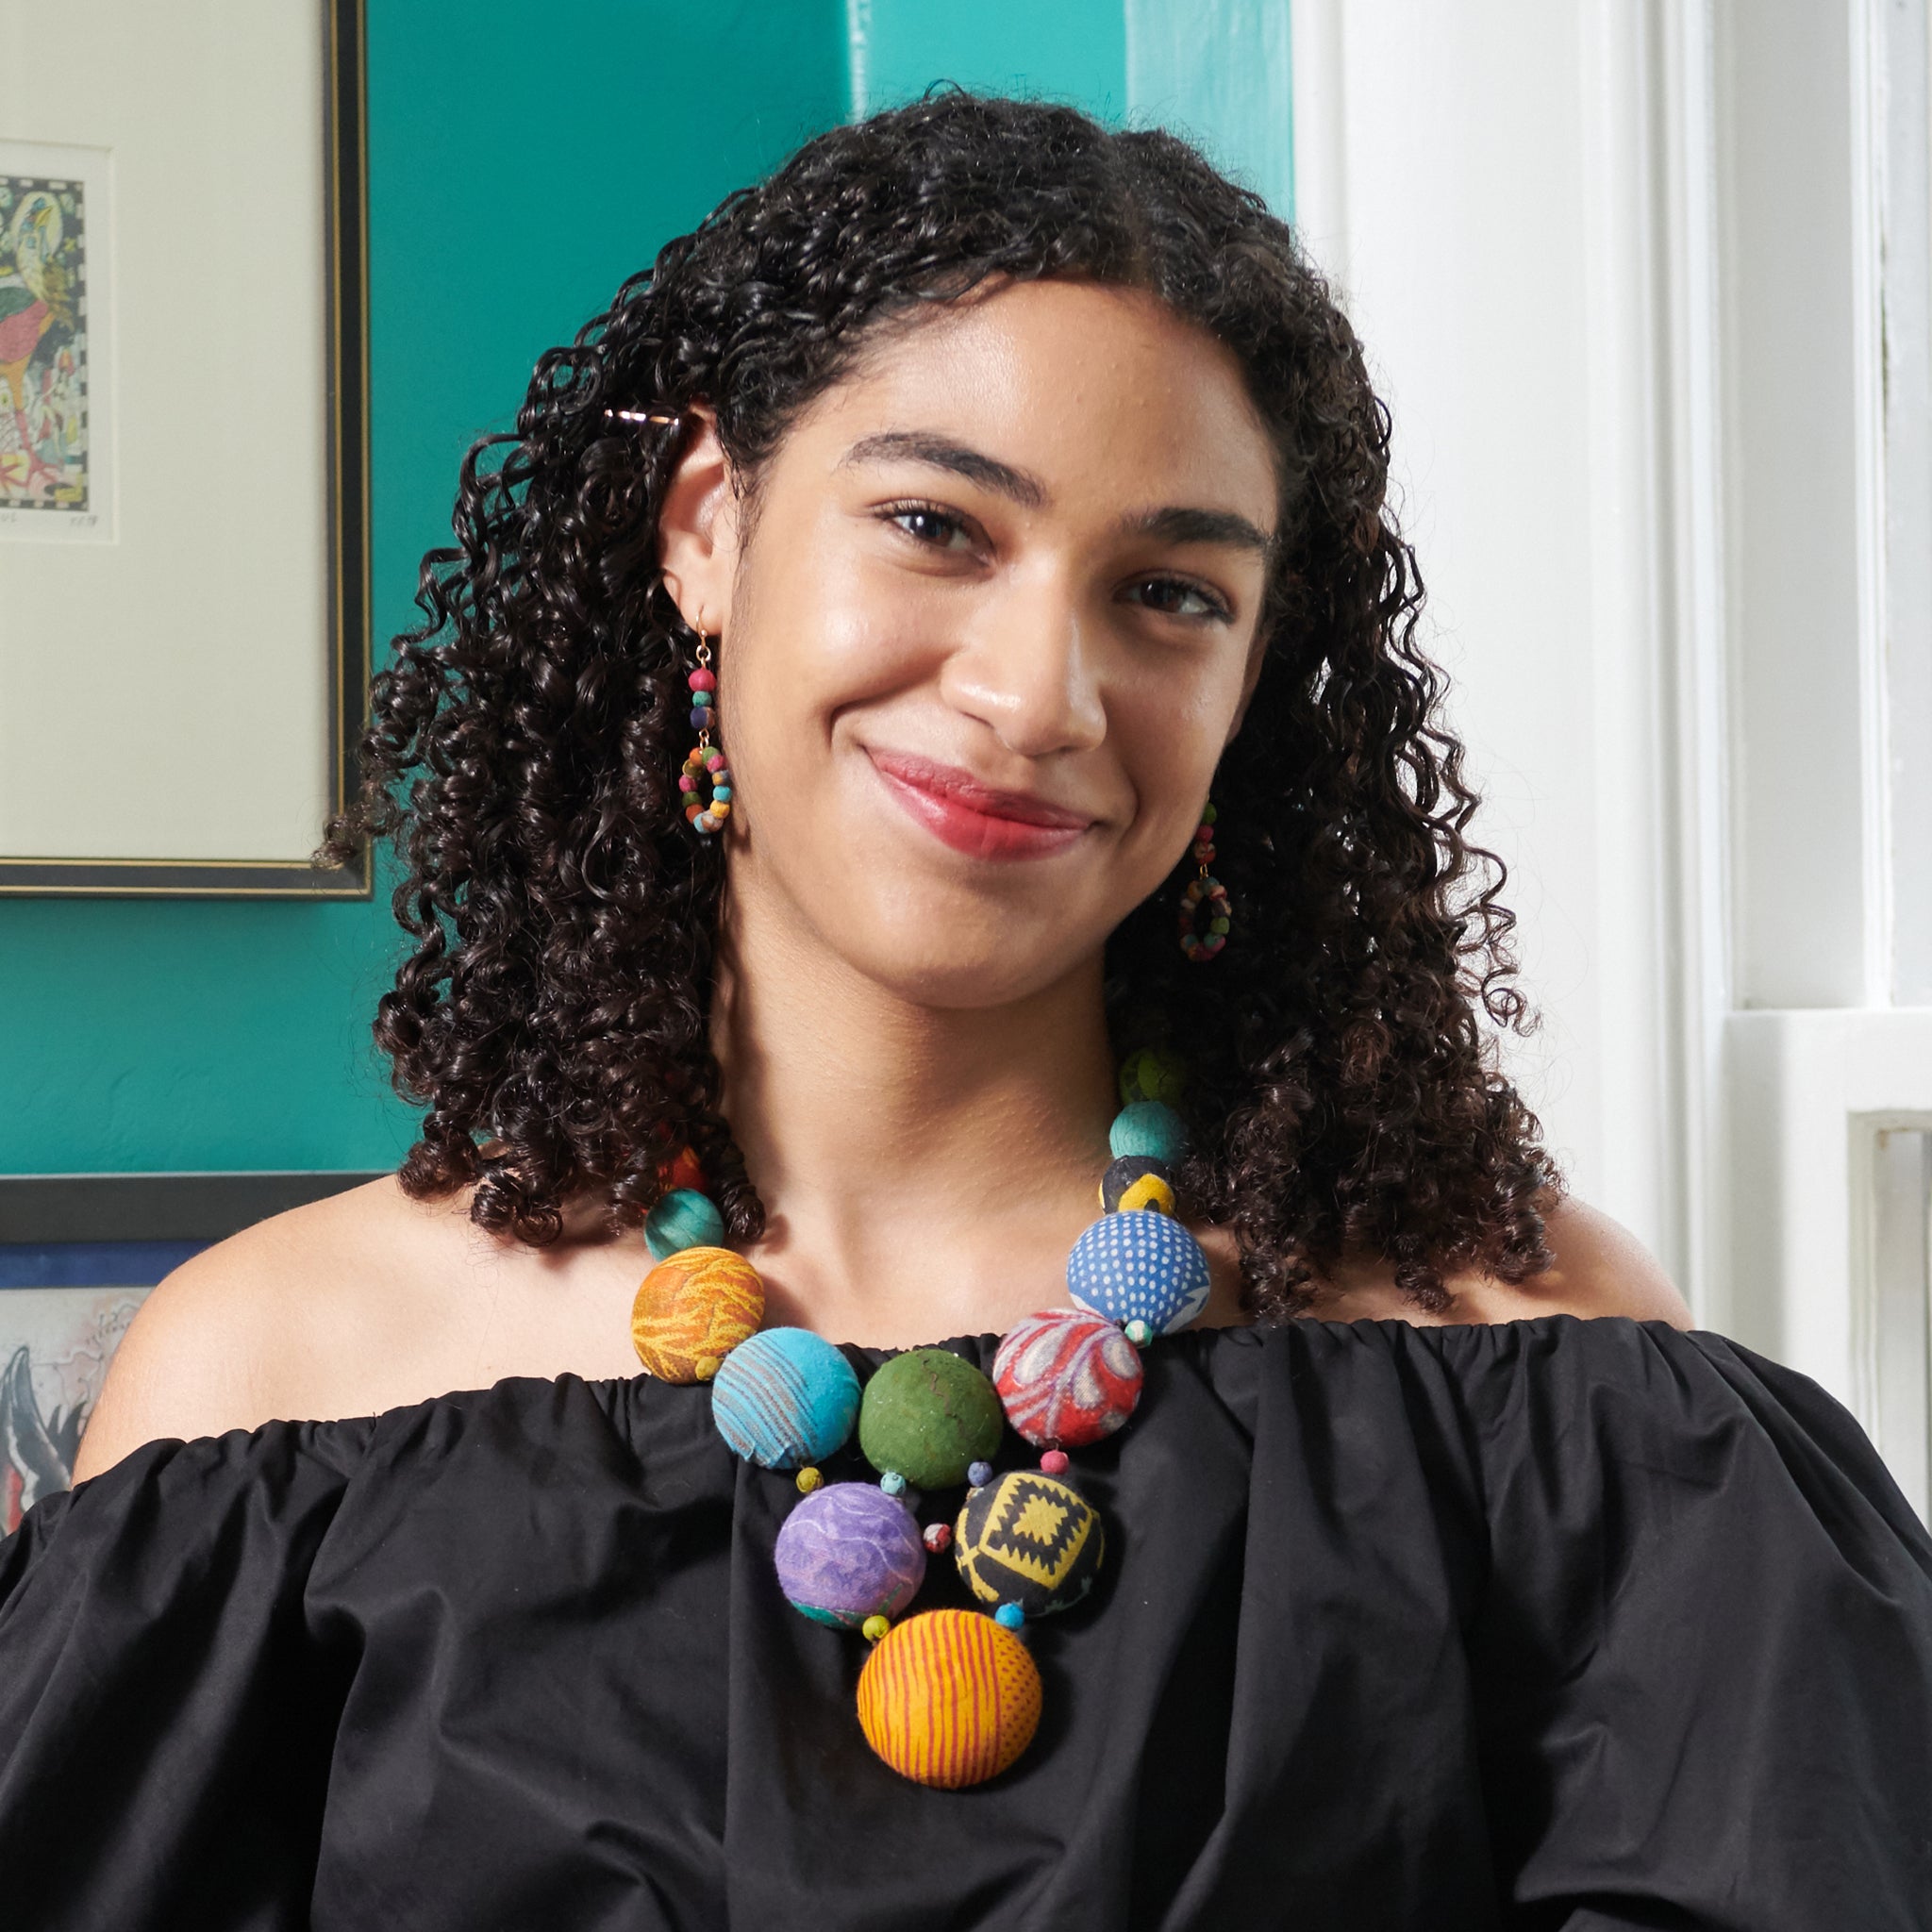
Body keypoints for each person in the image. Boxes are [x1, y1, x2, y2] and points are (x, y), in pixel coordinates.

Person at [4, 92, 1927, 1929]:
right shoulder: (270, 1387)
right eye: (936, 523)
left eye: (1169, 592)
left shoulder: (1544, 1369)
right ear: (705, 525)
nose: (1038, 694)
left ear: (1255, 679)